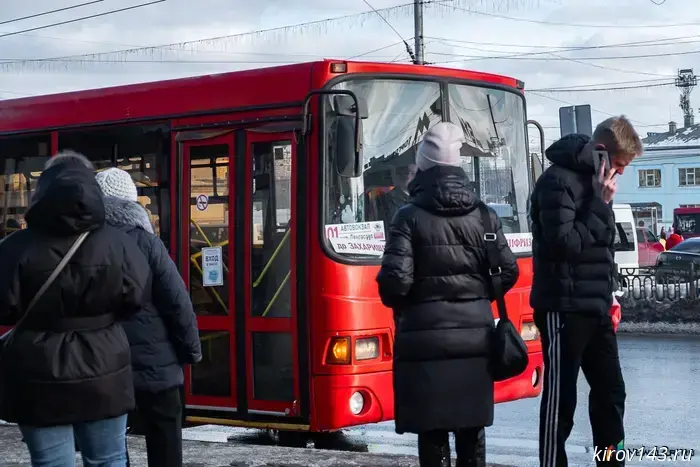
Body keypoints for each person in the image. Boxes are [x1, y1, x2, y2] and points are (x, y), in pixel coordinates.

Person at [376, 122, 519, 467]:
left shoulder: (407, 217)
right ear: (458, 166)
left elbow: (395, 284)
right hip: (476, 340)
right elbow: (508, 271)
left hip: (424, 343)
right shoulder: (485, 216)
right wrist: (472, 295)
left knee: (433, 433)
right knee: (472, 433)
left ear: (422, 166)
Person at [0, 151, 150, 467]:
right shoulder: (119, 242)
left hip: (38, 370)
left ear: (42, 192)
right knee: (108, 460)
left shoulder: (15, 247)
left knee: (52, 463)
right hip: (105, 364)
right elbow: (136, 298)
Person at [529, 116, 643, 467]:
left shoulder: (598, 184)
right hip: (563, 307)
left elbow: (602, 248)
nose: (620, 175)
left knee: (611, 393)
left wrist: (611, 296)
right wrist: (598, 204)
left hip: (596, 307)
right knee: (561, 403)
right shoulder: (556, 182)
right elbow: (564, 245)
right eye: (619, 166)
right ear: (600, 153)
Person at [95, 167, 202, 467]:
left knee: (113, 447)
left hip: (105, 365)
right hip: (158, 367)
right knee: (165, 439)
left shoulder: (86, 245)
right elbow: (177, 303)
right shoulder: (147, 242)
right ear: (132, 203)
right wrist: (190, 350)